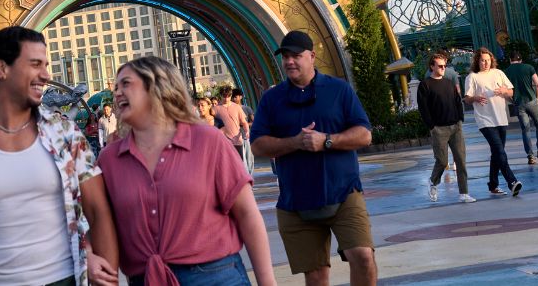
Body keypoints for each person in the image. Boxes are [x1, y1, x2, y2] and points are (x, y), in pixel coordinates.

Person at [0, 26, 119, 286]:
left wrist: (108, 276)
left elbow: (98, 210)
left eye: (45, 65)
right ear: (2, 69)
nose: (45, 75)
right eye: (35, 64)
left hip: (63, 279)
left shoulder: (65, 133)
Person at [100, 56, 274, 285]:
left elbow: (248, 214)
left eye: (126, 84)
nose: (117, 93)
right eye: (116, 87)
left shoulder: (208, 141)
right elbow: (99, 224)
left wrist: (267, 282)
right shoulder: (109, 159)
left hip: (215, 277)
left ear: (157, 88)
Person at [250, 30, 377, 285]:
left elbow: (364, 135)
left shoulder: (338, 90)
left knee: (362, 256)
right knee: (317, 276)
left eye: (296, 55)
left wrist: (327, 140)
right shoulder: (272, 99)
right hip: (297, 201)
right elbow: (258, 145)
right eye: (285, 56)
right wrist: (295, 142)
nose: (289, 62)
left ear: (312, 56)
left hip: (344, 194)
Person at [464, 47, 523, 197]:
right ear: (477, 61)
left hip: (501, 118)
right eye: (482, 60)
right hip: (485, 120)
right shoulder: (473, 77)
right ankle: (512, 182)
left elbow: (511, 91)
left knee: (497, 153)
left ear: (492, 61)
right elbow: (467, 98)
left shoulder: (499, 73)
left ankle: (493, 185)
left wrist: (504, 92)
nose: (485, 63)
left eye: (488, 60)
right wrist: (475, 98)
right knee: (499, 150)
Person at [417, 53, 475, 203]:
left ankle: (464, 193)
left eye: (445, 65)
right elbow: (423, 108)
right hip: (439, 129)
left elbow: (457, 101)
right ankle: (433, 182)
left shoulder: (449, 83)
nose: (443, 68)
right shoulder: (425, 84)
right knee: (442, 161)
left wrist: (460, 119)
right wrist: (432, 127)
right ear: (432, 66)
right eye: (440, 66)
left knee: (461, 160)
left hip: (455, 126)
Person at [506, 51, 538, 164]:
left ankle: (530, 156)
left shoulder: (507, 71)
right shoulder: (529, 67)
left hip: (518, 104)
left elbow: (505, 92)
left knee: (525, 130)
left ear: (510, 60)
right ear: (521, 60)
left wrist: (512, 101)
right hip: (532, 100)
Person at [214, 87, 249, 159]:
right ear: (220, 95)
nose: (226, 99)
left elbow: (244, 122)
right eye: (224, 96)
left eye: (228, 96)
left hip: (237, 140)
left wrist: (247, 131)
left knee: (239, 164)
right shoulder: (215, 109)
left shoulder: (237, 107)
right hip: (223, 142)